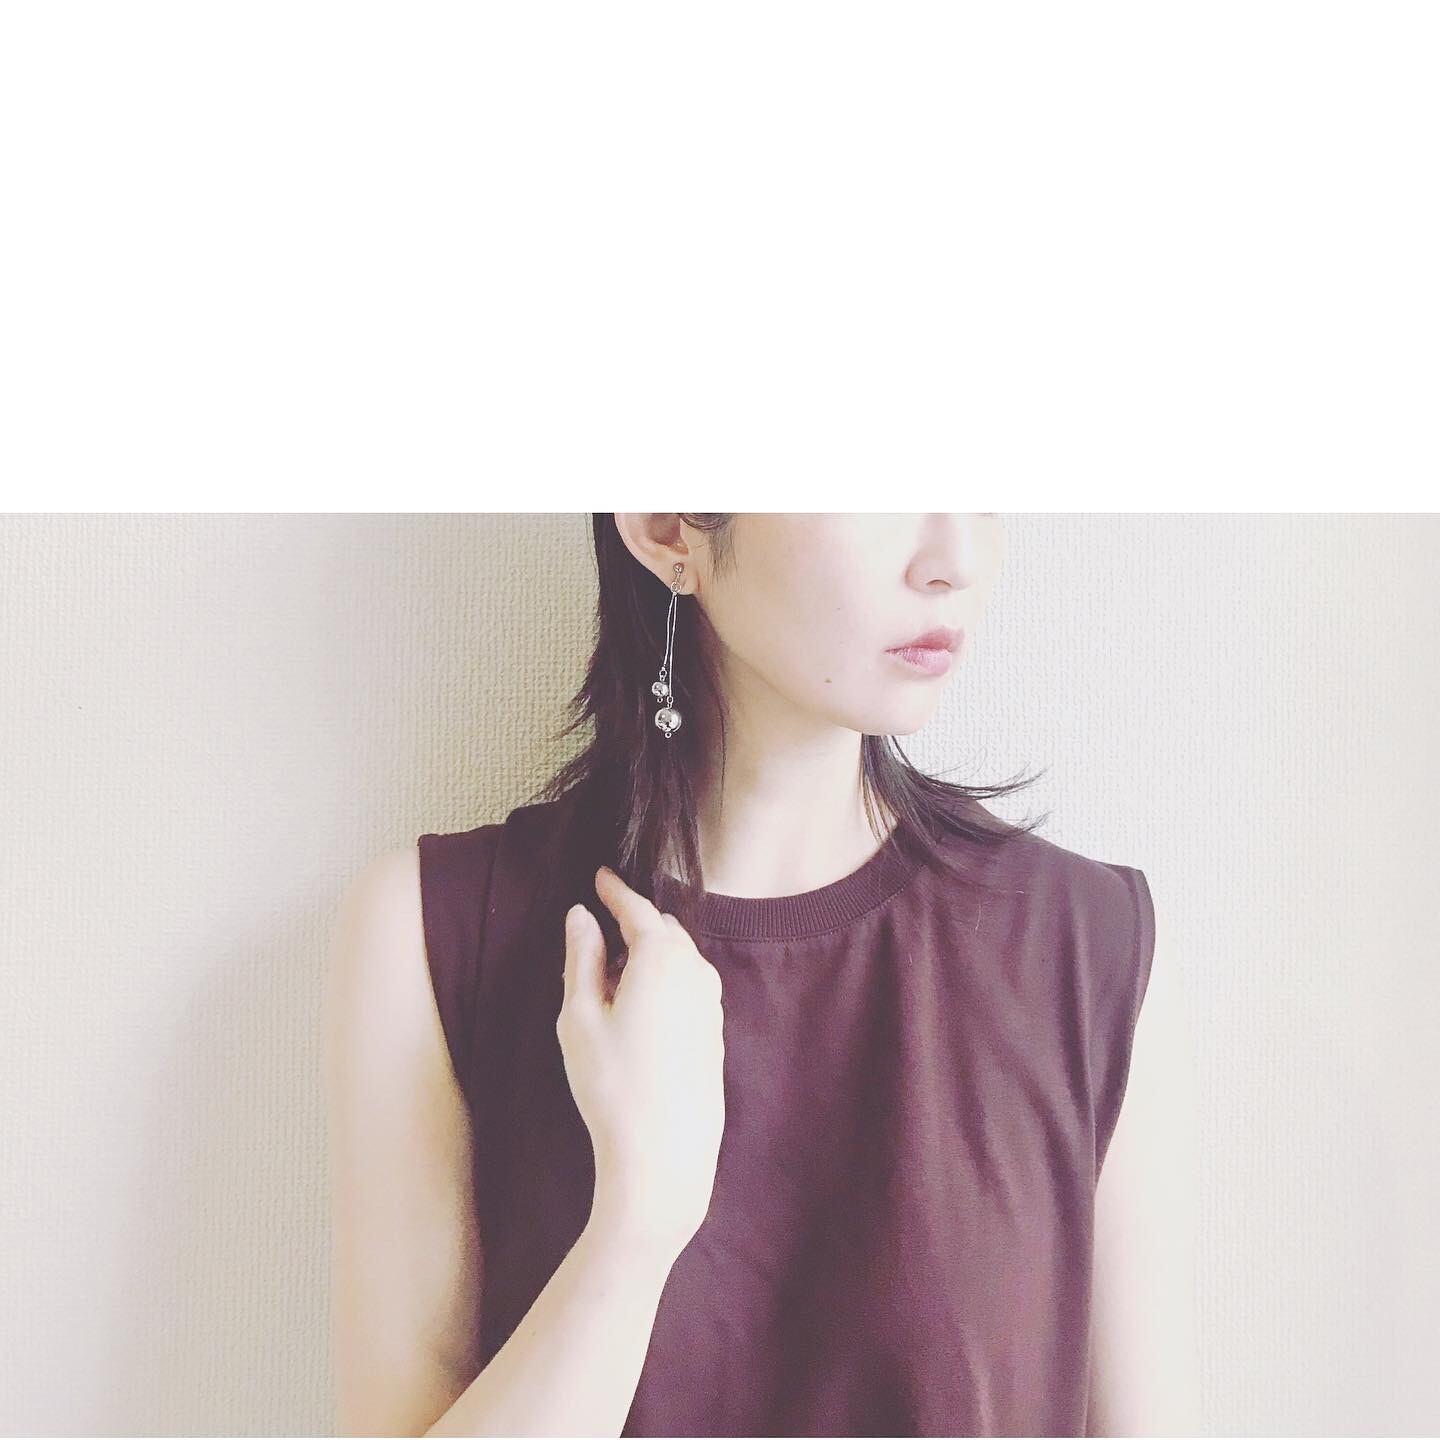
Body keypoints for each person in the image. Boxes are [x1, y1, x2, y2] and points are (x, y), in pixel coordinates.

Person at [326, 513, 1203, 1436]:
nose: (956, 561)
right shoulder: (435, 935)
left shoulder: (1086, 950)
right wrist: (638, 1219)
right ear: (668, 524)